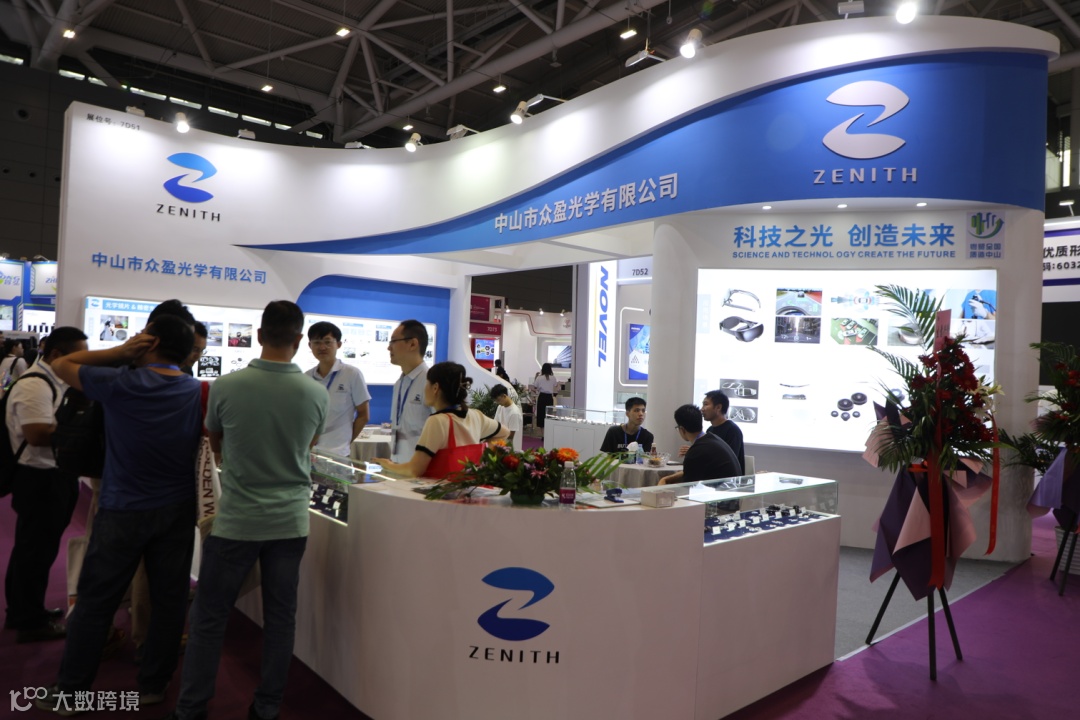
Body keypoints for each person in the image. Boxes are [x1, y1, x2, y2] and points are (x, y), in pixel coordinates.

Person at [165, 300, 328, 720]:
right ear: (298, 339)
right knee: (281, 618)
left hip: (237, 520)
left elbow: (216, 443)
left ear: (258, 335)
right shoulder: (316, 393)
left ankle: (191, 708)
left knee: (209, 616)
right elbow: (308, 445)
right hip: (290, 521)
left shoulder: (225, 386)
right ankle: (267, 708)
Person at [34, 316, 203, 713]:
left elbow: (60, 364)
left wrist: (120, 351)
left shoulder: (120, 383)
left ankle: (72, 691)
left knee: (96, 601)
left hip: (122, 508)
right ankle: (154, 684)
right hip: (177, 510)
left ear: (150, 342)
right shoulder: (196, 390)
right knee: (168, 602)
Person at [3, 327, 88, 644]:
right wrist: (79, 429)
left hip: (52, 475)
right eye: (78, 356)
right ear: (55, 354)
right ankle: (29, 621)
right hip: (39, 478)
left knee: (35, 548)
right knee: (34, 552)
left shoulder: (54, 381)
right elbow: (37, 433)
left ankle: (23, 611)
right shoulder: (35, 385)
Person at [376, 362, 508, 479]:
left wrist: (388, 465)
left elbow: (414, 470)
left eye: (427, 383)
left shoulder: (437, 421)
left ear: (435, 388)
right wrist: (483, 454)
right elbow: (504, 432)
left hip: (443, 492)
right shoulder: (476, 416)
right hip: (467, 488)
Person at [305, 321, 371, 457]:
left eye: (327, 342)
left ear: (339, 344)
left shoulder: (352, 374)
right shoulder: (306, 377)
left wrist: (345, 442)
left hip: (338, 454)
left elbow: (363, 415)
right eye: (316, 342)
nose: (322, 347)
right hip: (308, 453)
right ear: (310, 345)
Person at [661, 404, 741, 485]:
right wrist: (666, 479)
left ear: (682, 429)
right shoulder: (712, 439)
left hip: (720, 492)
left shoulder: (696, 452)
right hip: (732, 489)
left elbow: (688, 487)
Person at [388, 319, 432, 463]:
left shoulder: (431, 382)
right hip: (398, 465)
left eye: (393, 341)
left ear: (413, 344)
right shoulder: (399, 383)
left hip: (421, 470)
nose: (389, 348)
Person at [702, 389, 745, 474]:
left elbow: (729, 461)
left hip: (729, 479)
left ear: (718, 407)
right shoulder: (710, 430)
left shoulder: (732, 430)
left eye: (706, 404)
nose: (702, 409)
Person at [491, 383, 523, 452]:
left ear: (504, 396)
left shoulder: (514, 413)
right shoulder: (500, 407)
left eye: (498, 400)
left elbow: (510, 436)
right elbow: (495, 424)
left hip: (507, 448)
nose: (497, 402)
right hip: (498, 444)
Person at [534, 363, 561, 429]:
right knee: (548, 415)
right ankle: (548, 431)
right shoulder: (553, 378)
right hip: (549, 398)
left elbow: (535, 386)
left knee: (541, 415)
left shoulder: (539, 378)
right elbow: (557, 386)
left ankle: (542, 432)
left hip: (542, 397)